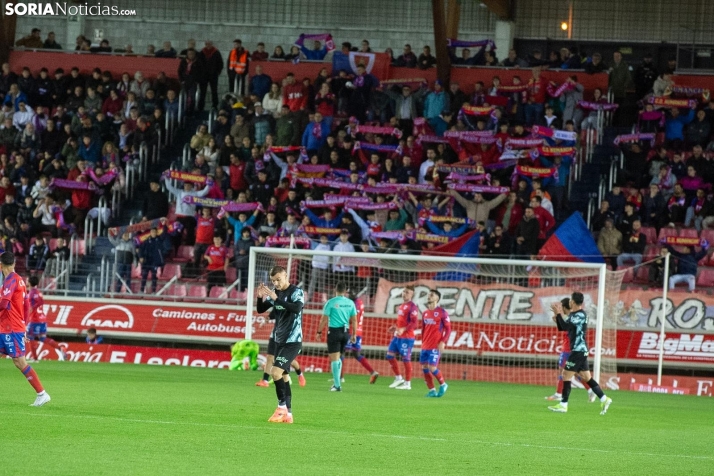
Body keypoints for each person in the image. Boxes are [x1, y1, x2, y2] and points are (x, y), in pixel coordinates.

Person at [548, 292, 612, 415]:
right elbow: (562, 327)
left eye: (571, 300)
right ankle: (604, 399)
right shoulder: (575, 315)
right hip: (579, 350)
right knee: (587, 378)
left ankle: (563, 405)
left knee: (566, 375)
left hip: (578, 350)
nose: (570, 302)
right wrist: (558, 317)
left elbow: (566, 326)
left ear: (573, 302)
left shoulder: (580, 315)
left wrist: (558, 314)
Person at [0, 252, 50, 406]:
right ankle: (41, 394)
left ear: (0, 265)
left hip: (11, 328)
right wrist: (25, 324)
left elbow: (3, 304)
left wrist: (21, 326)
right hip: (8, 326)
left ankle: (42, 394)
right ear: (14, 263)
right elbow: (27, 304)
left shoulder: (10, 281)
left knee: (20, 362)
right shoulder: (20, 280)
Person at [256, 266, 304, 424]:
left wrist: (276, 299)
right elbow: (261, 309)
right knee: (284, 376)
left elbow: (296, 309)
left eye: (278, 279)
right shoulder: (275, 294)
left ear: (285, 276)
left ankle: (281, 407)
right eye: (273, 281)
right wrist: (260, 297)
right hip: (279, 340)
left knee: (275, 373)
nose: (276, 283)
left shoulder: (296, 292)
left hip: (293, 341)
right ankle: (289, 415)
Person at [545, 298, 595, 403]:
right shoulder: (572, 317)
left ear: (564, 307)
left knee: (565, 371)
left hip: (569, 349)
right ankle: (590, 389)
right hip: (571, 348)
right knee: (575, 373)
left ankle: (559, 394)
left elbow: (567, 328)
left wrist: (558, 317)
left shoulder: (572, 317)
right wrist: (558, 319)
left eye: (561, 307)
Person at [316, 281, 357, 392]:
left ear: (335, 290)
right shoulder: (350, 303)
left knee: (334, 359)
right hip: (346, 333)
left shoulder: (331, 302)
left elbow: (324, 319)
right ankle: (337, 382)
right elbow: (354, 320)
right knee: (338, 358)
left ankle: (337, 385)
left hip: (334, 332)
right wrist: (354, 334)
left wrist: (319, 332)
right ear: (345, 291)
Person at [339, 290, 379, 384]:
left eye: (348, 294)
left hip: (352, 332)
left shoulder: (355, 304)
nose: (347, 295)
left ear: (353, 294)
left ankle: (340, 377)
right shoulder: (359, 302)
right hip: (359, 332)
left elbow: (353, 319)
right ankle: (373, 372)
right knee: (356, 354)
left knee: (341, 352)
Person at [25, 275, 66, 361]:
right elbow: (41, 302)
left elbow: (31, 308)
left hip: (35, 319)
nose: (26, 281)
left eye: (27, 280)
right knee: (42, 338)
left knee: (30, 337)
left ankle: (35, 358)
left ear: (29, 283)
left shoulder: (31, 294)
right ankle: (60, 348)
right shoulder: (38, 293)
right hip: (42, 319)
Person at [386, 284, 419, 390]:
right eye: (404, 291)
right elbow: (401, 322)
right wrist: (395, 327)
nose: (405, 294)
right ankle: (398, 378)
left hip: (407, 337)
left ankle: (408, 383)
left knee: (406, 359)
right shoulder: (402, 305)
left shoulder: (412, 306)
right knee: (389, 355)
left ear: (412, 294)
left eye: (407, 292)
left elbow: (414, 323)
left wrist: (403, 329)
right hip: (398, 336)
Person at [420, 289, 451, 398]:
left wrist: (443, 341)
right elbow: (423, 329)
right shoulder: (425, 313)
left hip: (435, 345)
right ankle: (432, 390)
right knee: (424, 367)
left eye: (431, 295)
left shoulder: (442, 312)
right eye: (428, 295)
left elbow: (448, 329)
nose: (429, 297)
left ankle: (443, 384)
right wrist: (422, 342)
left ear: (437, 298)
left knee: (432, 367)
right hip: (425, 345)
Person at [138, 227, 164, 293]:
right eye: (152, 232)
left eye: (154, 232)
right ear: (150, 233)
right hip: (146, 261)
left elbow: (165, 235)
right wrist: (141, 256)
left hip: (154, 262)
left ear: (156, 233)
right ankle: (141, 290)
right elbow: (140, 249)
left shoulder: (159, 240)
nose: (153, 233)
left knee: (154, 277)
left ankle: (154, 291)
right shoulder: (146, 240)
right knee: (144, 276)